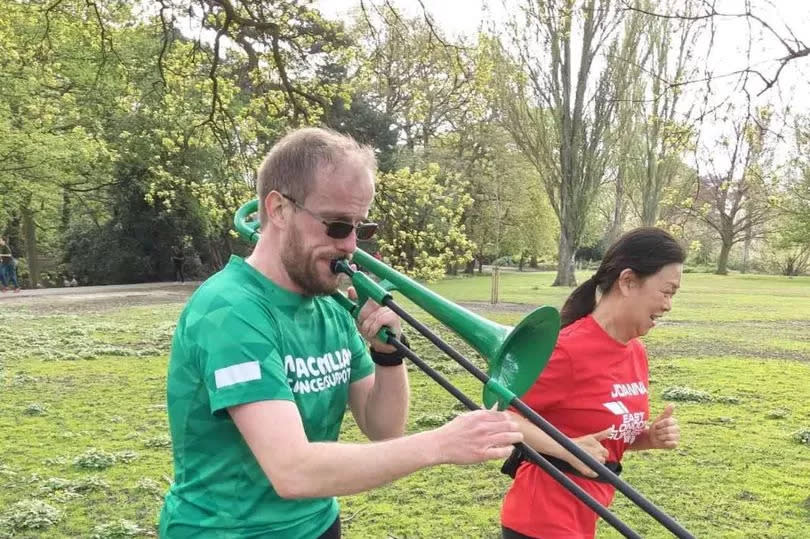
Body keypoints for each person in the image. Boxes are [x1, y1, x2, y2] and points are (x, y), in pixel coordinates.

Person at [159, 127, 522, 538]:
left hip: (318, 524)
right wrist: (440, 444)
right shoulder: (228, 311)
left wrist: (388, 356)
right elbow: (292, 471)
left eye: (360, 227)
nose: (351, 245)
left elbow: (382, 427)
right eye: (336, 225)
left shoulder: (329, 305)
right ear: (278, 210)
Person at [500, 227, 686, 539]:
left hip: (583, 518)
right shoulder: (566, 349)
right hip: (539, 521)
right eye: (666, 292)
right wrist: (567, 448)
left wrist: (647, 437)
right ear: (627, 282)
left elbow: (605, 436)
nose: (668, 305)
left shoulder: (635, 351)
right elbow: (501, 415)